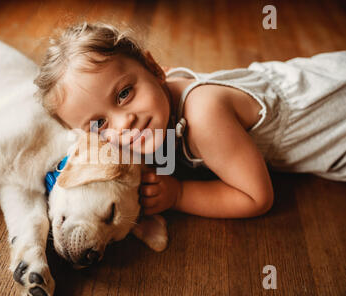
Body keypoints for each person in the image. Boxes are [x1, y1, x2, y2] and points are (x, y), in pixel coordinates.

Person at [34, 22, 346, 218]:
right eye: (99, 124)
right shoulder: (159, 100)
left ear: (154, 69)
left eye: (124, 93)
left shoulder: (205, 116)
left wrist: (178, 195)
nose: (124, 122)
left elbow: (257, 197)